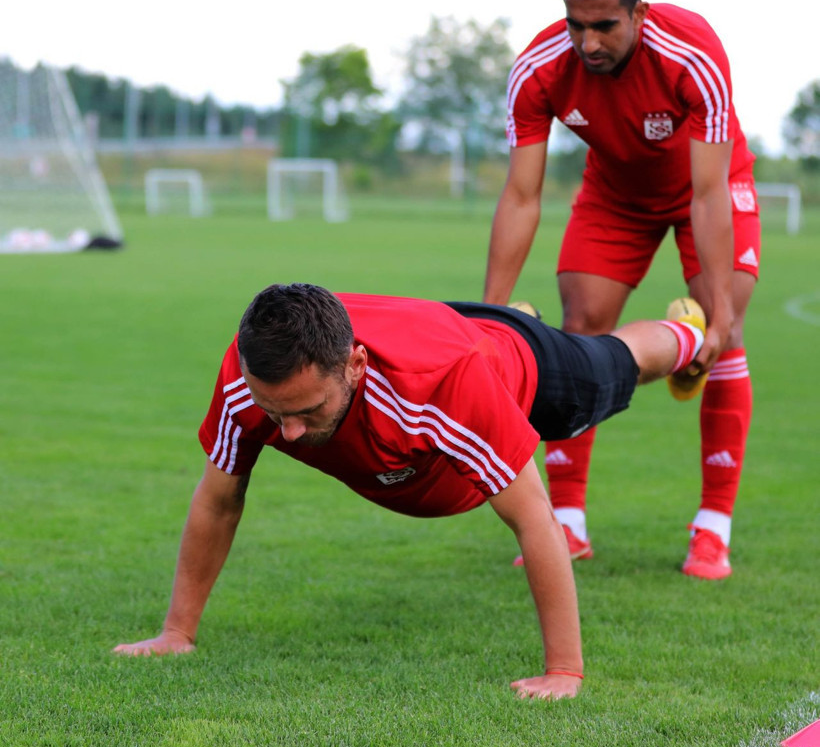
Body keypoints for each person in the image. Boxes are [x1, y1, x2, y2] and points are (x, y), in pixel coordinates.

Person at [114, 282, 708, 700]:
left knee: (618, 362)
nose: (286, 431)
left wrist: (564, 671)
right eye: (275, 412)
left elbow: (534, 519)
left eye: (305, 411)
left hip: (518, 366)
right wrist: (176, 633)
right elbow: (219, 498)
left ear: (355, 365)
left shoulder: (442, 387)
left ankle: (687, 337)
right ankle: (520, 313)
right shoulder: (252, 381)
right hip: (444, 330)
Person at [483, 0, 759, 580]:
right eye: (576, 24)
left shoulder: (692, 51)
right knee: (578, 327)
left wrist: (718, 309)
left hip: (705, 187)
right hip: (615, 197)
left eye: (604, 25)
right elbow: (522, 195)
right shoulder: (539, 69)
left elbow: (711, 190)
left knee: (729, 326)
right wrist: (491, 309)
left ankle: (712, 528)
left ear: (638, 12)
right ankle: (567, 524)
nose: (588, 42)